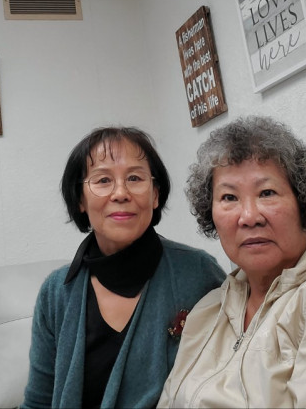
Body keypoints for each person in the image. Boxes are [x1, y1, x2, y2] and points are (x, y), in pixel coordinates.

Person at [159, 116, 306, 408]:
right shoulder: (208, 309)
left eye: (267, 193)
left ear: (302, 202)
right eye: (229, 197)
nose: (249, 217)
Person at [22, 126, 225, 409]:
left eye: (134, 178)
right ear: (80, 200)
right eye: (103, 180)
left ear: (155, 195)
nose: (120, 193)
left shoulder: (199, 273)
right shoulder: (56, 292)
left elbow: (226, 380)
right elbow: (39, 401)